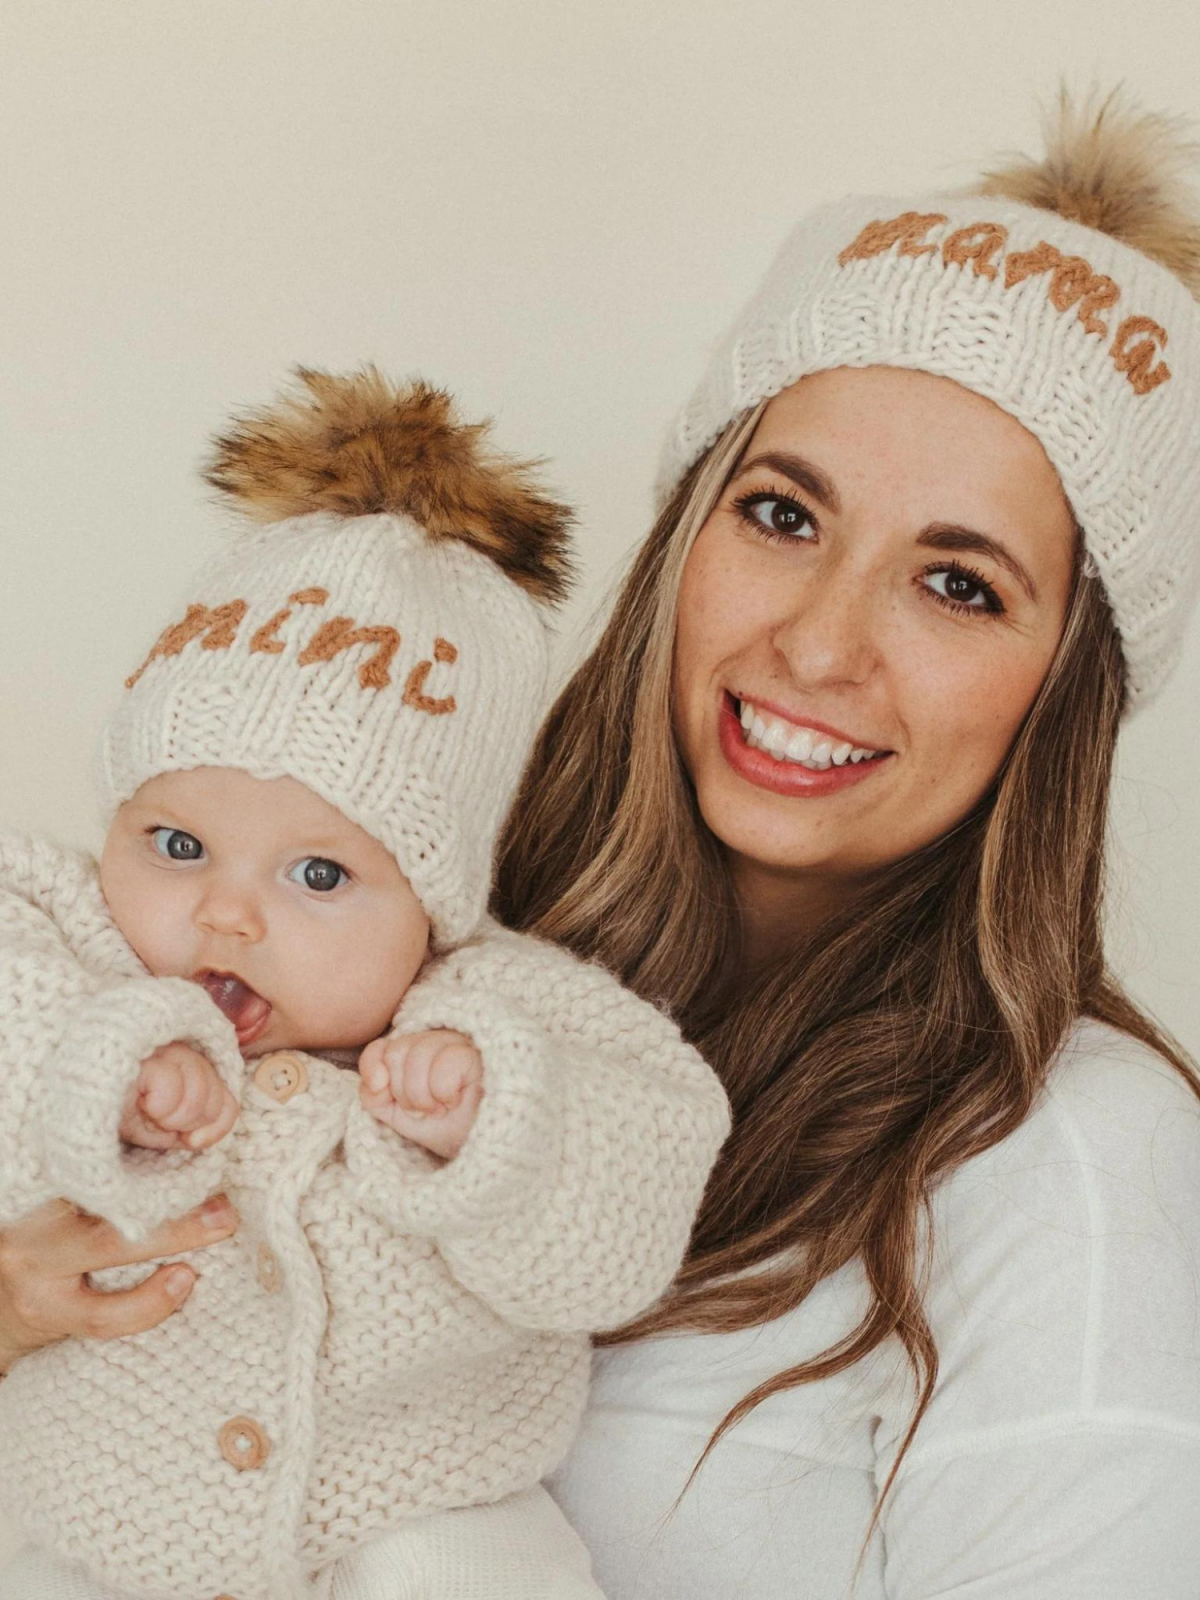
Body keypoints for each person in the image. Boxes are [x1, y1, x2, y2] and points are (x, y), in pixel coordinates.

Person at [3, 81, 1200, 1600]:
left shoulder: (1079, 1165)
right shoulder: (374, 942)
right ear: (683, 536)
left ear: (1066, 693)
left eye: (959, 585)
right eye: (782, 513)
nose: (824, 644)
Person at [0, 367, 731, 1600]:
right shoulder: (63, 940)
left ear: (435, 911)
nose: (225, 910)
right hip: (98, 1523)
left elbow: (633, 1194)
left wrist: (490, 1123)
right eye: (176, 846)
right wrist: (110, 1061)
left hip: (422, 1519)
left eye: (321, 874)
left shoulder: (505, 1014)